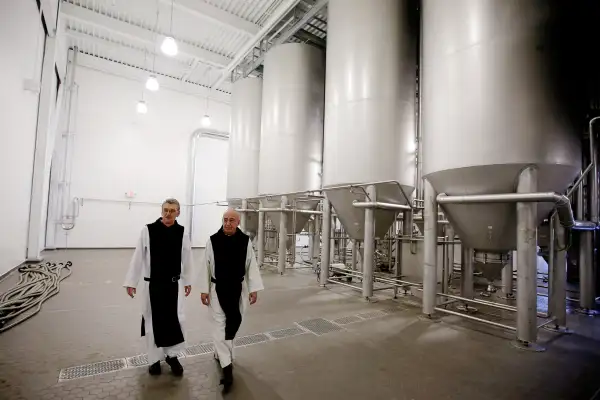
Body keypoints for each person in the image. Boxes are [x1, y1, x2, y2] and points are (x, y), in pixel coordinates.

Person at [123, 198, 194, 376]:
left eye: (172, 210)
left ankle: (172, 356)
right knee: (151, 321)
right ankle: (154, 360)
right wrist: (132, 282)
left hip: (173, 285)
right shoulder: (148, 230)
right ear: (161, 211)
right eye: (165, 210)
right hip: (152, 284)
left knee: (176, 320)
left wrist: (188, 281)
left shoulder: (182, 233)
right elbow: (138, 256)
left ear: (178, 212)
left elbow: (187, 258)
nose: (168, 213)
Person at [199, 208, 264, 392]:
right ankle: (227, 369)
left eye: (232, 220)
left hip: (237, 289)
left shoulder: (245, 241)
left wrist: (254, 289)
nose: (227, 223)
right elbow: (206, 264)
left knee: (233, 322)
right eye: (225, 219)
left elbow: (251, 265)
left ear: (238, 222)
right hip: (217, 288)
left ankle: (221, 354)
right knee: (219, 326)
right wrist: (204, 290)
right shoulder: (212, 240)